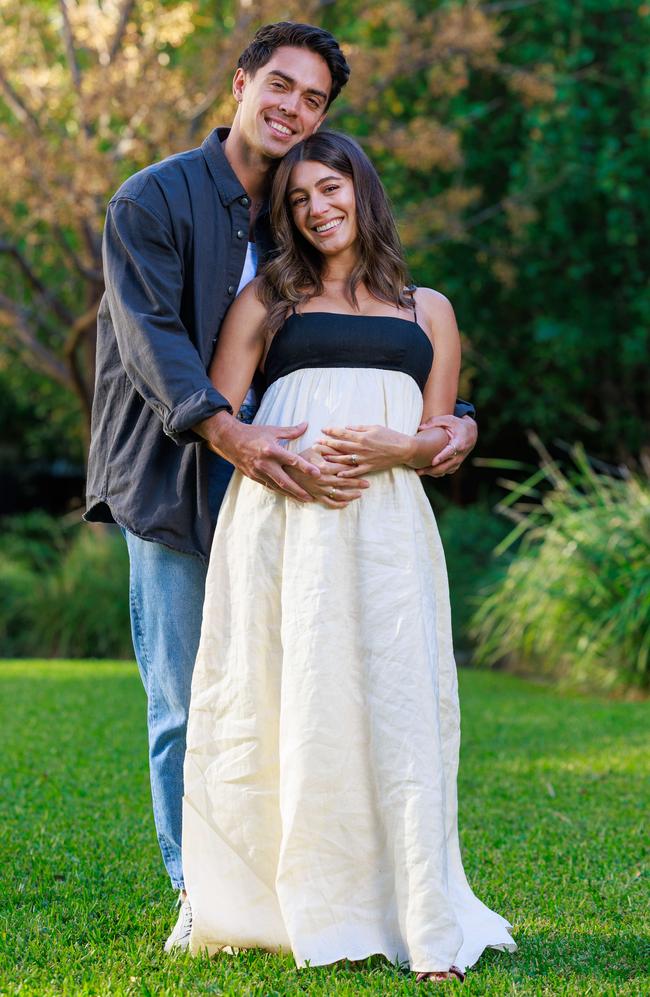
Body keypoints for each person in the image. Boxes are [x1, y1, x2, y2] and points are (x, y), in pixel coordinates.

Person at [84, 22, 478, 949]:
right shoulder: (154, 201)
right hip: (180, 476)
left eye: (313, 101)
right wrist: (238, 439)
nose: (293, 109)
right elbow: (152, 344)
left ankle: (308, 876)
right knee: (191, 693)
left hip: (295, 490)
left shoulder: (291, 211)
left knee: (300, 685)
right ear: (241, 81)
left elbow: (376, 344)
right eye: (282, 86)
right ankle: (202, 887)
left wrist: (453, 427)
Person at [182, 131, 515, 983]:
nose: (317, 209)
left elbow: (443, 438)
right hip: (283, 523)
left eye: (330, 189)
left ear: (363, 192)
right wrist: (282, 460)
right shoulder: (268, 298)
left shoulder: (427, 309)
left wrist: (397, 449)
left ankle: (418, 910)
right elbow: (223, 419)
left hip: (389, 531)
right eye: (298, 200)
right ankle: (289, 899)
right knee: (289, 696)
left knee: (398, 702)